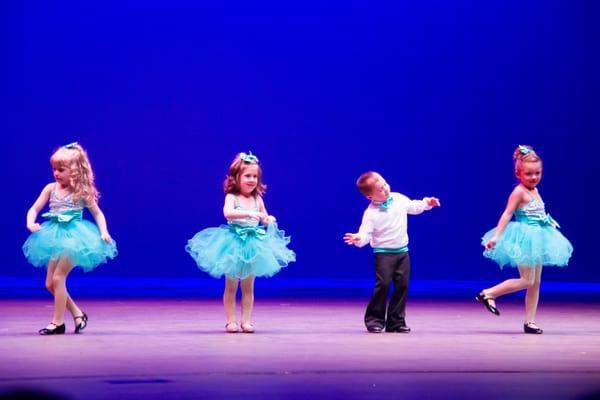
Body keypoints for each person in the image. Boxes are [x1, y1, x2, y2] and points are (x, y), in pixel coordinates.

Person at [186, 152, 295, 333]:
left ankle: (246, 321)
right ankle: (231, 321)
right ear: (236, 178)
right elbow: (228, 213)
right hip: (233, 244)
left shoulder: (257, 198)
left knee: (248, 286)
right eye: (247, 176)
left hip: (253, 245)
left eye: (255, 176)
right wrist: (248, 214)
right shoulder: (232, 197)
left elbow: (264, 216)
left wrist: (268, 219)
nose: (251, 180)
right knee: (231, 285)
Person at [23, 142, 117, 335]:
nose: (56, 173)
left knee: (59, 278)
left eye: (61, 169)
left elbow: (98, 214)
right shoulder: (50, 188)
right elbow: (33, 209)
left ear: (74, 171)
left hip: (75, 238)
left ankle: (57, 323)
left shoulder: (81, 193)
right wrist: (30, 223)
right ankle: (77, 313)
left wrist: (104, 231)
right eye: (54, 169)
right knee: (49, 283)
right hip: (55, 236)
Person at [477, 145, 573, 334]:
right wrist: (497, 236)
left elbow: (538, 214)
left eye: (538, 173)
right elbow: (507, 214)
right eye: (529, 174)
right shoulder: (519, 192)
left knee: (535, 282)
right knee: (527, 280)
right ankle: (488, 293)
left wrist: (547, 223)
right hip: (524, 238)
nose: (534, 177)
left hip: (538, 237)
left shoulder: (535, 191)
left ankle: (530, 322)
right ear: (518, 174)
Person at [344, 171, 440, 333]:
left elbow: (414, 207)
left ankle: (396, 321)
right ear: (370, 197)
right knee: (383, 285)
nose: (386, 189)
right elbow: (366, 233)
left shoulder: (399, 199)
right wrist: (358, 238)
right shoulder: (370, 214)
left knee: (402, 285)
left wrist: (427, 203)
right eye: (380, 190)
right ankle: (375, 320)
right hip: (383, 254)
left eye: (385, 185)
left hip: (402, 252)